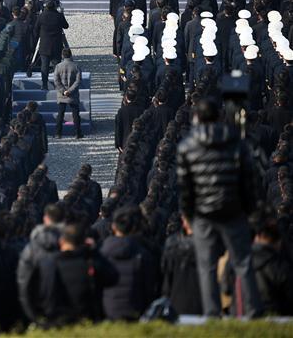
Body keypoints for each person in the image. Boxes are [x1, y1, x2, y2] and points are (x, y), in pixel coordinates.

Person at [177, 97, 263, 317]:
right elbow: (248, 179)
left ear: (196, 118)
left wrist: (187, 214)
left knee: (207, 266)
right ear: (219, 117)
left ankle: (212, 314)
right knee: (243, 262)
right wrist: (251, 209)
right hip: (234, 208)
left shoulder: (187, 146)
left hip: (203, 213)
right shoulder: (236, 141)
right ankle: (253, 311)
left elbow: (185, 188)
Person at [34, 223, 118, 327]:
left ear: (61, 241)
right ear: (84, 242)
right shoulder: (91, 261)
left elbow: (43, 294)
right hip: (88, 321)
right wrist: (94, 251)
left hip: (59, 321)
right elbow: (113, 277)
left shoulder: (49, 263)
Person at [100, 205, 158, 320]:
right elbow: (150, 287)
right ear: (136, 227)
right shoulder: (145, 253)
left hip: (108, 311)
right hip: (136, 311)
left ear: (114, 226)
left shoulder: (102, 252)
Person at [34, 0, 69, 88]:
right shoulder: (59, 16)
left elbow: (36, 29)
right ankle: (58, 84)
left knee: (44, 66)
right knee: (57, 66)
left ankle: (44, 84)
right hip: (56, 44)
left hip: (44, 44)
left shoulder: (41, 16)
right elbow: (66, 26)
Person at [53, 48, 83, 139]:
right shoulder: (76, 66)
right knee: (75, 114)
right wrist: (70, 91)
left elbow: (56, 80)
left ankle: (58, 133)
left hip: (62, 94)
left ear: (62, 55)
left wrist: (63, 91)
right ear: (71, 55)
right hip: (73, 94)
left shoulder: (58, 66)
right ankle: (77, 133)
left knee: (60, 114)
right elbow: (78, 81)